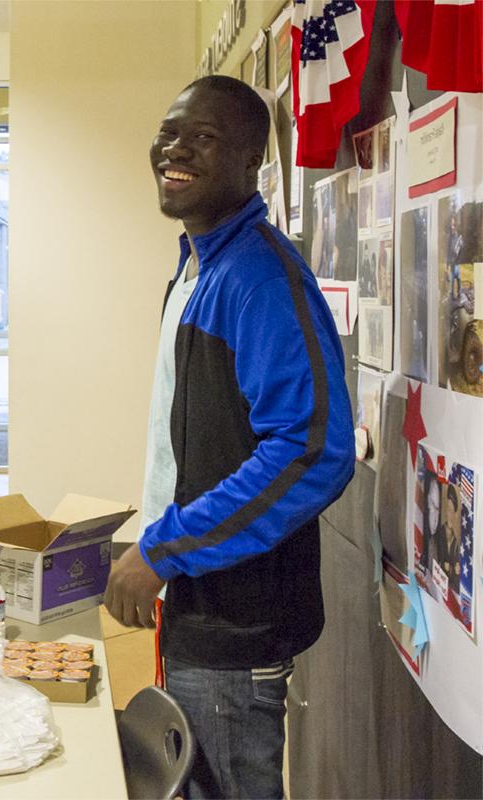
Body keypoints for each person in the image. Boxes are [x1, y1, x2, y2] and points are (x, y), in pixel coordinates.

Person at [105, 76, 354, 799]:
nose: (174, 148)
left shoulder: (259, 277)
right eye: (170, 131)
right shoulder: (197, 265)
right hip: (194, 604)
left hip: (236, 630)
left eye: (203, 137)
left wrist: (165, 548)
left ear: (252, 163)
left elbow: (311, 451)